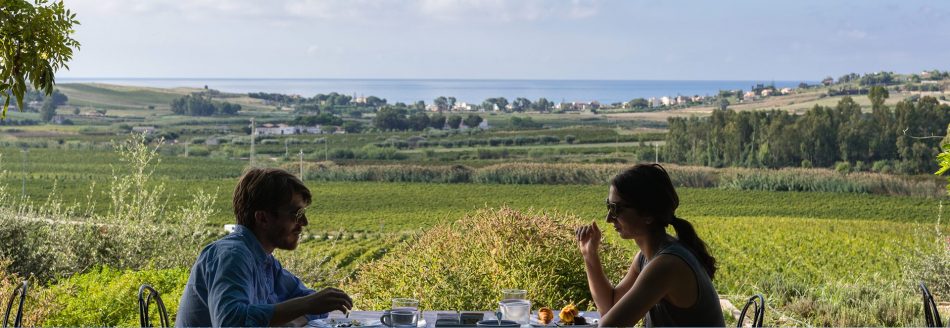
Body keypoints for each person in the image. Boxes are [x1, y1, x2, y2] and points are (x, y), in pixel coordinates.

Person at [176, 168, 352, 327]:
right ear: (262, 218)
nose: (304, 223)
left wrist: (296, 317)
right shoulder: (232, 256)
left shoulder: (265, 262)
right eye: (296, 214)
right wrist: (305, 307)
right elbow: (230, 322)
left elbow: (316, 303)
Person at [575, 164, 725, 327]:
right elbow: (609, 307)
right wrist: (590, 255)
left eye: (616, 208)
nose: (609, 218)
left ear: (647, 214)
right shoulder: (646, 258)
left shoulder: (667, 265)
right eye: (608, 206)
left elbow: (610, 325)